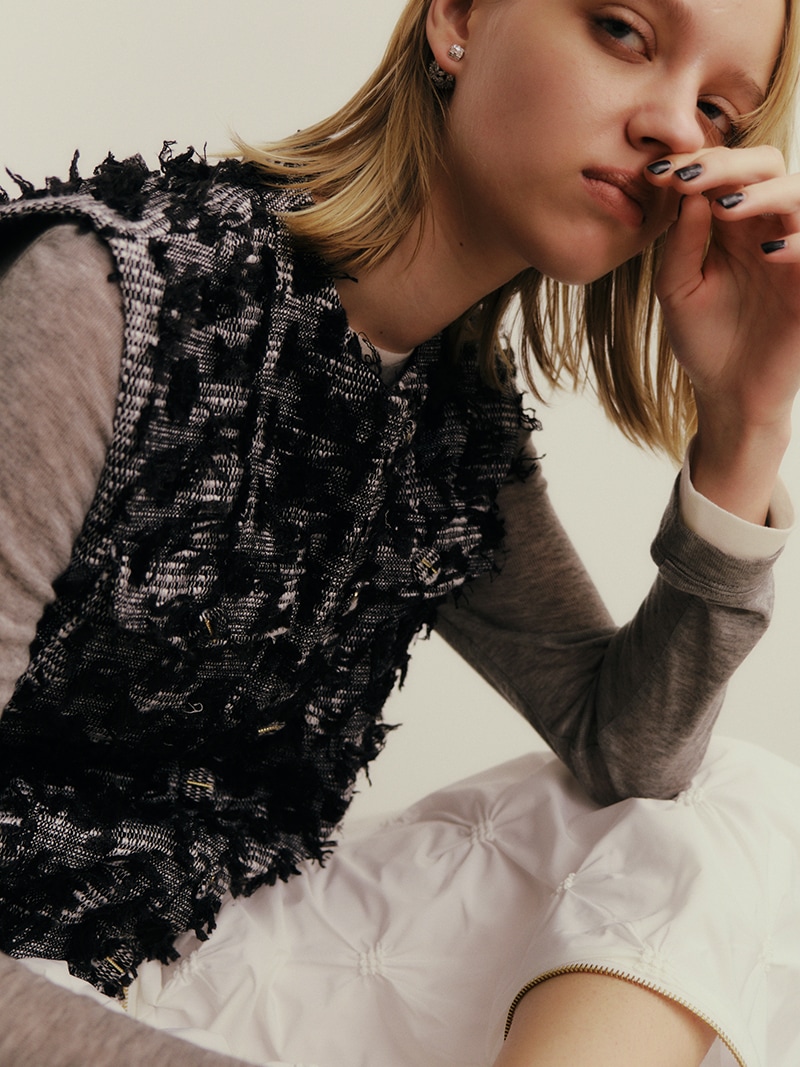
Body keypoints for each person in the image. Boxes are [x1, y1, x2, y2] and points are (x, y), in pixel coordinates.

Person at [1, 0, 799, 1063]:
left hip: (221, 955)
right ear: (458, 18)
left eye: (717, 111)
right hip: (31, 979)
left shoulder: (446, 417)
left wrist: (746, 423)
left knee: (733, 799)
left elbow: (631, 752)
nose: (671, 127)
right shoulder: (102, 297)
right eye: (621, 30)